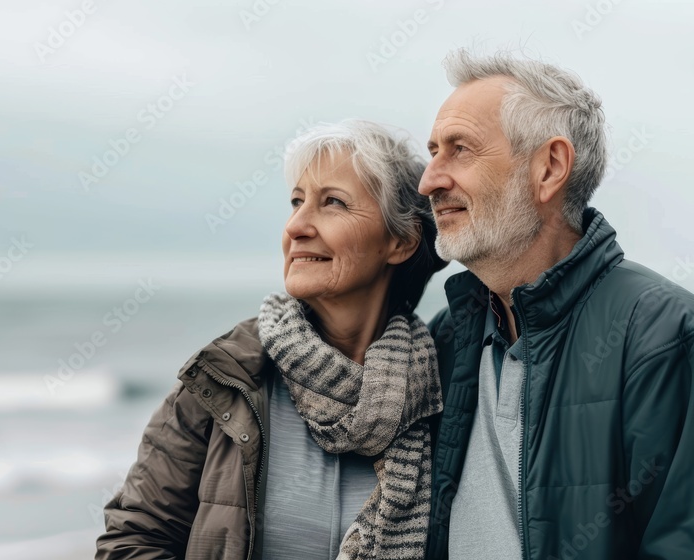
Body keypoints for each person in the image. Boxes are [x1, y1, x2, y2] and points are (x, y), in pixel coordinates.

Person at [95, 119, 448, 560]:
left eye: (332, 202)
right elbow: (130, 543)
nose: (297, 225)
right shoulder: (223, 377)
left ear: (402, 241)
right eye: (296, 202)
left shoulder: (446, 391)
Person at [419, 49, 694, 560]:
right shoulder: (445, 339)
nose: (429, 180)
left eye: (460, 149)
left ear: (550, 167)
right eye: (433, 151)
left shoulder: (665, 333)